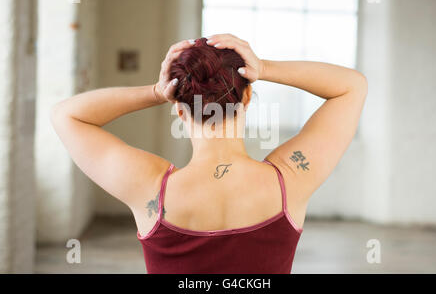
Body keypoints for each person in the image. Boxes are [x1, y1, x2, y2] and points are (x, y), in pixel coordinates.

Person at [51, 34, 367, 273]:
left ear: (178, 109)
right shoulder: (290, 181)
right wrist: (264, 67)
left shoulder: (151, 190)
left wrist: (156, 92)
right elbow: (351, 86)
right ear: (247, 98)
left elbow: (67, 115)